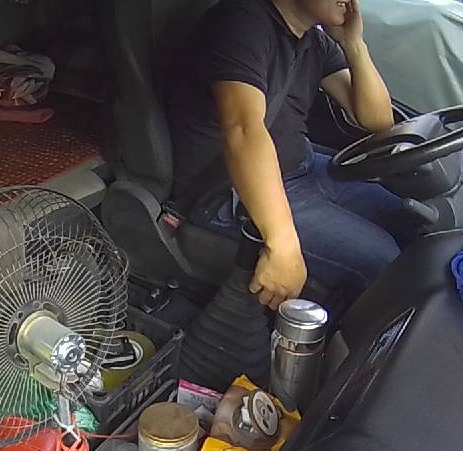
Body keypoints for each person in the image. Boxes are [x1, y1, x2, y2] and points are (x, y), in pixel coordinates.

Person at [167, 0, 415, 310]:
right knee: (388, 267)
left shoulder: (314, 40)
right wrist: (281, 243)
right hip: (230, 193)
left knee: (412, 221)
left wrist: (354, 44)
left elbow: (377, 120)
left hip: (304, 168)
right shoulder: (241, 23)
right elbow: (243, 130)